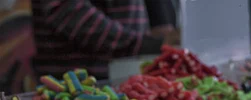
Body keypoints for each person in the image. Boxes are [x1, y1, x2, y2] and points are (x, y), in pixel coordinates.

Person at [30, 0, 180, 80]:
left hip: (125, 80)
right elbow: (69, 11)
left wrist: (161, 26)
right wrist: (143, 44)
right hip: (74, 87)